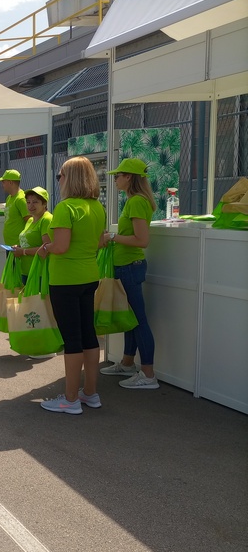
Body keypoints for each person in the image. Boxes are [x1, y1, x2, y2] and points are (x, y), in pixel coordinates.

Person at [37, 156, 106, 414]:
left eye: (61, 175)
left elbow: (61, 246)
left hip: (65, 280)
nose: (59, 180)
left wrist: (46, 248)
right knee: (89, 335)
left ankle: (70, 398)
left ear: (70, 178)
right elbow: (100, 242)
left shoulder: (66, 208)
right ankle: (90, 393)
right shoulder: (97, 207)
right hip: (90, 275)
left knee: (72, 339)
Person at [99, 158, 159, 390]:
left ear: (130, 178)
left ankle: (148, 373)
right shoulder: (137, 201)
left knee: (138, 321)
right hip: (127, 267)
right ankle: (127, 363)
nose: (115, 178)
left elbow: (141, 240)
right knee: (132, 319)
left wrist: (112, 237)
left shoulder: (136, 202)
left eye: (119, 175)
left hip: (129, 267)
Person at [12, 186, 53, 284]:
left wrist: (23, 251)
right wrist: (18, 247)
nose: (31, 206)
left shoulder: (46, 219)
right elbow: (29, 242)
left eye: (35, 202)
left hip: (39, 273)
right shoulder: (30, 220)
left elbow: (47, 248)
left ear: (44, 203)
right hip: (25, 271)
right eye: (28, 202)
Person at [0, 169, 29, 248]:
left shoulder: (21, 199)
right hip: (9, 246)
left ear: (10, 182)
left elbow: (30, 222)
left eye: (3, 182)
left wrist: (21, 245)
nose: (2, 185)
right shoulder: (9, 198)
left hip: (18, 247)